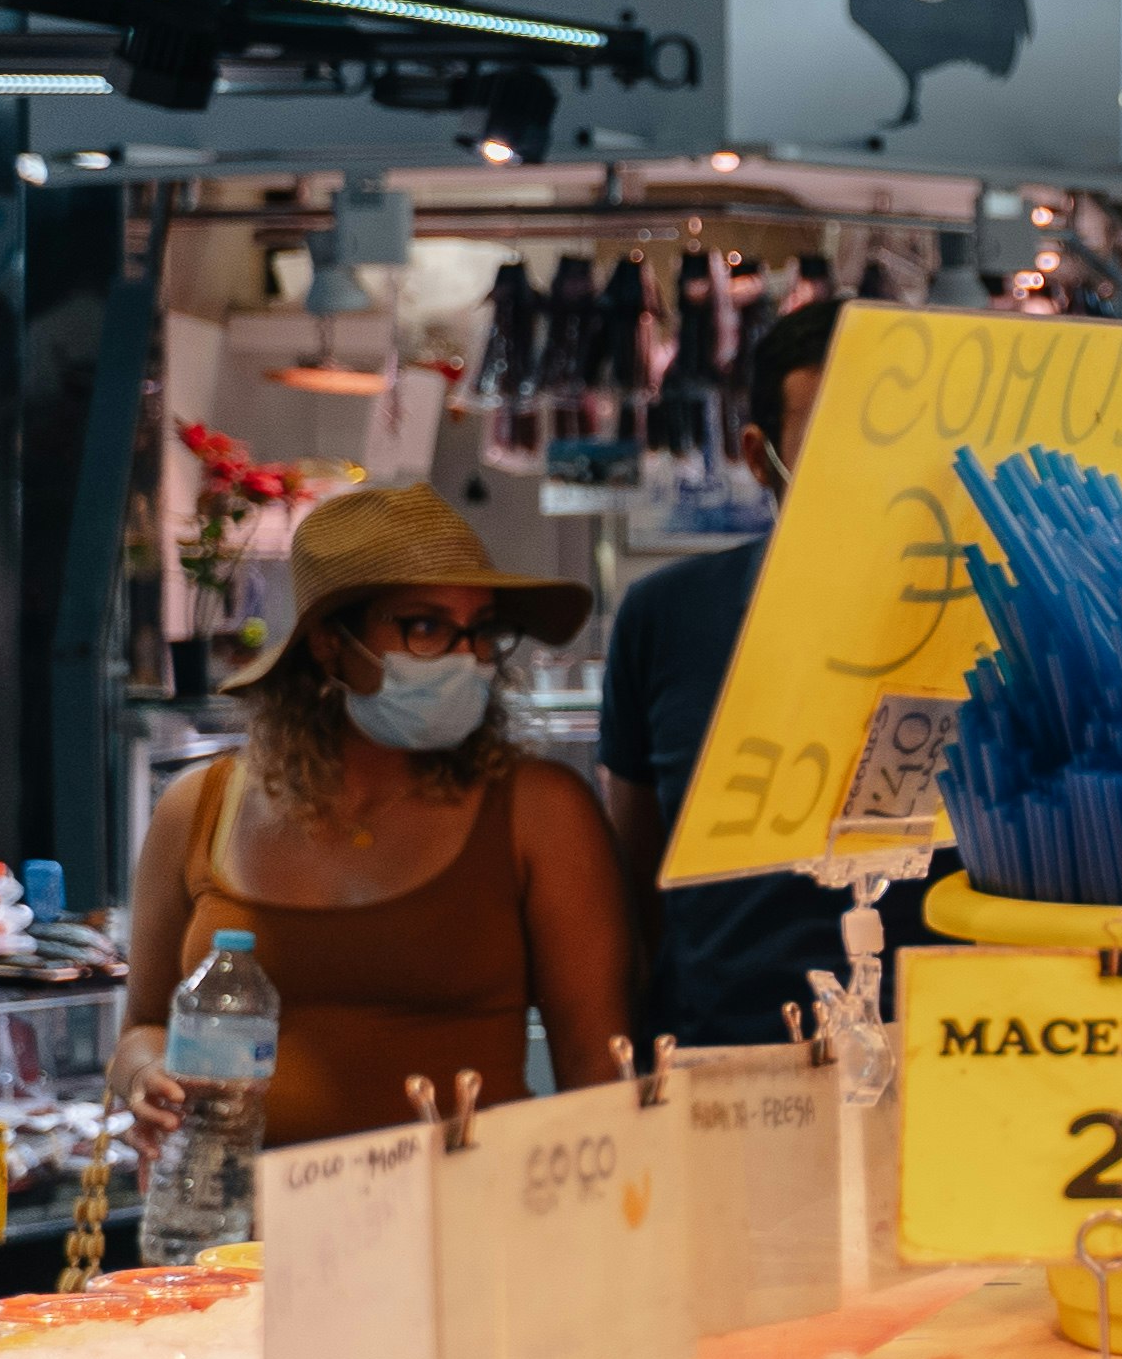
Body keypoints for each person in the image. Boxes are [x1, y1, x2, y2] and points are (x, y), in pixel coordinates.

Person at [120, 484, 636, 1149]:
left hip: (463, 1232)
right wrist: (145, 1075)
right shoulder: (199, 808)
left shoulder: (539, 812)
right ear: (331, 646)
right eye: (425, 626)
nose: (465, 655)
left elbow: (600, 1072)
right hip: (241, 1233)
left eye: (480, 630)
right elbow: (141, 1028)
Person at [592, 297, 953, 1050]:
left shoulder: (999, 621)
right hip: (723, 1060)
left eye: (895, 436)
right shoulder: (666, 617)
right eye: (834, 439)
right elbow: (634, 876)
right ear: (760, 457)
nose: (871, 467)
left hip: (947, 1064)